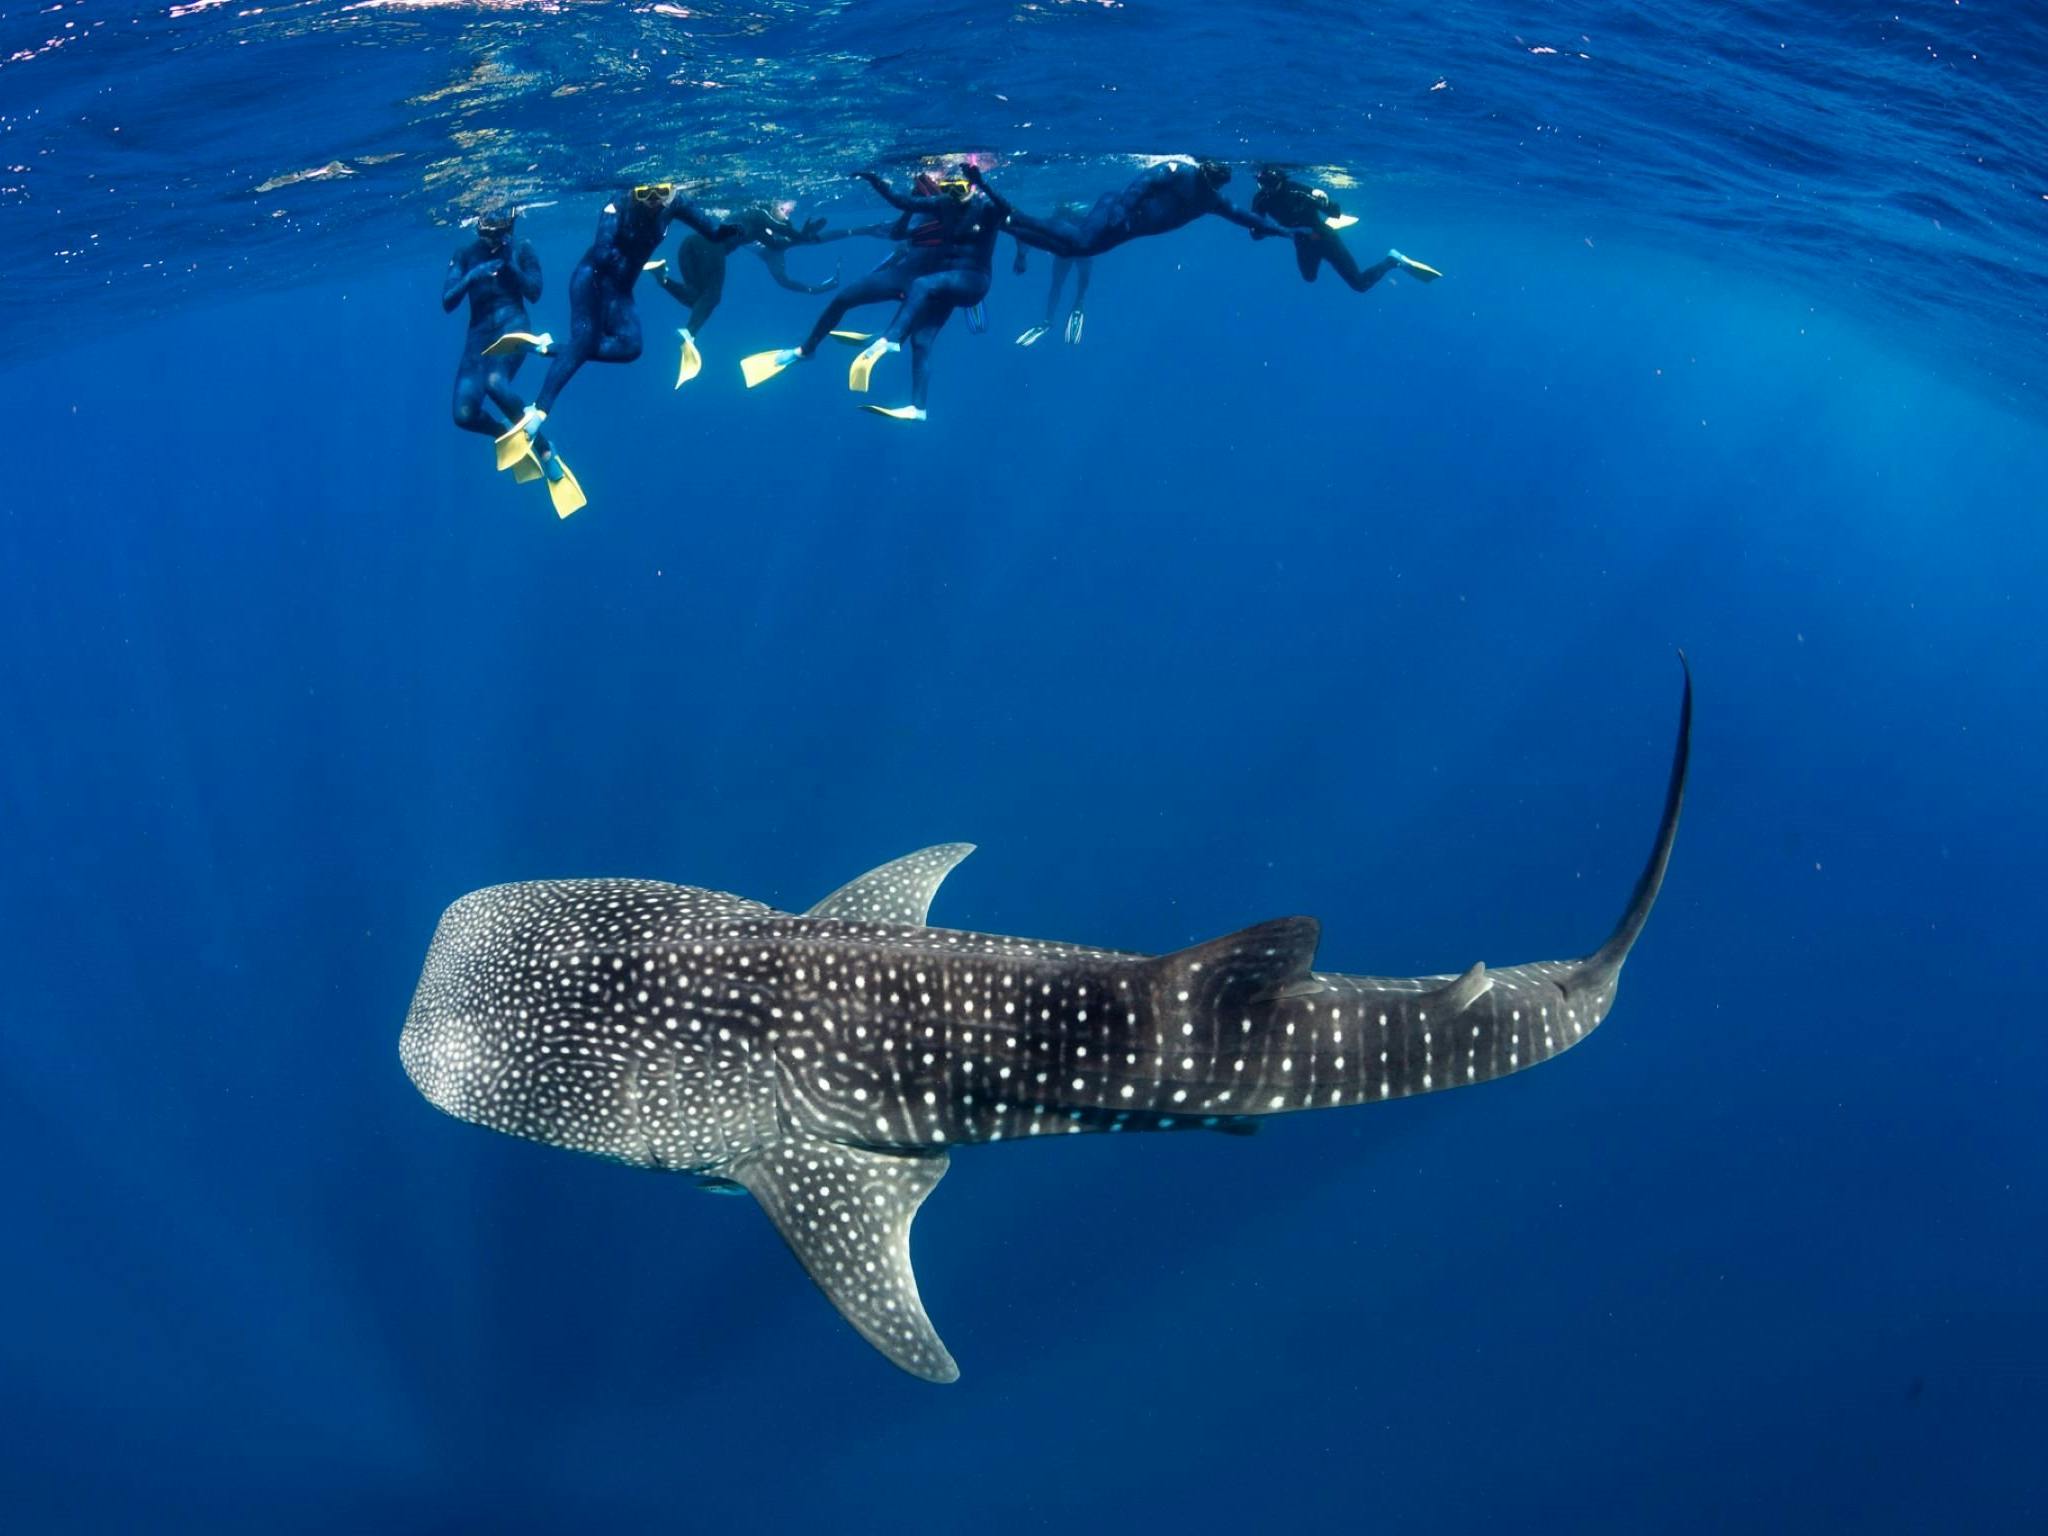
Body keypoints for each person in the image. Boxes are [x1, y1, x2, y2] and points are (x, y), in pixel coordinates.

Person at [489, 183, 741, 515]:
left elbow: (714, 231)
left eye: (661, 193)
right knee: (585, 341)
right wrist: (621, 231)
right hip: (591, 283)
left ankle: (547, 348)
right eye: (644, 194)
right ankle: (540, 407)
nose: (653, 201)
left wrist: (738, 227)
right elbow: (603, 249)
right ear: (633, 192)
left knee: (631, 347)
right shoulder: (617, 204)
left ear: (671, 192)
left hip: (621, 290)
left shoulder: (675, 202)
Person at [740, 171, 994, 417]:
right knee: (843, 298)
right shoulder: (926, 206)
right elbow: (897, 232)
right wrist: (911, 207)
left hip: (937, 281)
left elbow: (998, 231)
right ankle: (805, 350)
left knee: (922, 342)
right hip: (907, 273)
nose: (948, 191)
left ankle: (916, 405)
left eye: (955, 187)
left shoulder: (974, 211)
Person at [644, 205, 843, 387]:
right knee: (712, 297)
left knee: (696, 299)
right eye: (784, 209)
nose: (788, 213)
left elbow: (775, 244)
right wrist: (802, 235)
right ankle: (690, 333)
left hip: (689, 246)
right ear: (773, 206)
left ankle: (662, 277)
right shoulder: (760, 214)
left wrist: (802, 236)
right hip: (710, 246)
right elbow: (785, 231)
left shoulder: (755, 225)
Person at [442, 208, 560, 492]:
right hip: (478, 337)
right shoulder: (464, 254)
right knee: (464, 414)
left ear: (513, 219)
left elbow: (534, 292)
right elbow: (448, 301)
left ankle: (544, 449)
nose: (495, 227)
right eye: (489, 220)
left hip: (513, 327)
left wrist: (512, 265)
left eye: (502, 219)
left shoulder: (523, 248)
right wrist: (472, 276)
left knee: (496, 383)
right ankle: (509, 433)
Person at [966, 158, 1292, 259]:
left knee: (1076, 252)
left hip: (1130, 225)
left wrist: (1283, 231)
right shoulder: (1182, 171)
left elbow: (1244, 217)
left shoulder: (1211, 199)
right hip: (1119, 210)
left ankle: (1005, 224)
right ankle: (1011, 216)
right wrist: (1122, 211)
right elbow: (1144, 182)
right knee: (1080, 242)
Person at [1250, 166, 1443, 292]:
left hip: (1325, 238)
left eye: (1270, 184)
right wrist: (1259, 229)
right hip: (1302, 242)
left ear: (1281, 181)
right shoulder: (1261, 200)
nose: (1265, 188)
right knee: (1309, 278)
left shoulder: (1298, 191)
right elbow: (1256, 234)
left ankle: (1392, 260)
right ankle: (1325, 255)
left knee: (1359, 285)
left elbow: (1335, 213)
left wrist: (1323, 199)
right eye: (1261, 183)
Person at [1011, 209, 1091, 346]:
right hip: (1081, 244)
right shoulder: (1076, 216)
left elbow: (1029, 230)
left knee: (1057, 284)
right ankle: (1078, 304)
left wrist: (1021, 255)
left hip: (1065, 248)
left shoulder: (1056, 218)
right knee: (1080, 275)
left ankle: (1049, 320)